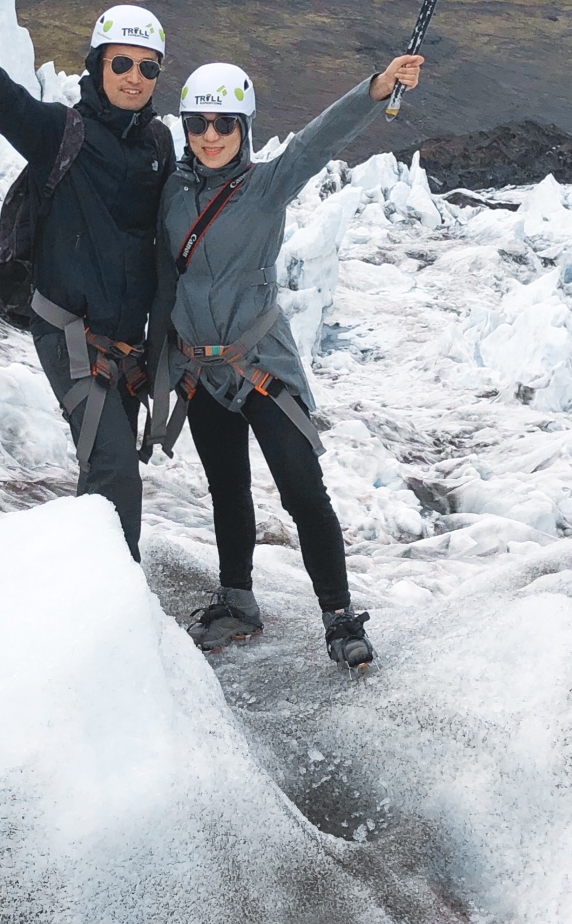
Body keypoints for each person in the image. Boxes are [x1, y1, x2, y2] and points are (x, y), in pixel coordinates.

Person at [147, 53, 424, 669]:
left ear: (244, 129)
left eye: (225, 123)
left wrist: (375, 88)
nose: (211, 136)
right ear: (185, 128)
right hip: (201, 376)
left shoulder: (266, 186)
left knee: (303, 493)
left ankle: (339, 617)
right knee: (227, 490)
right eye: (198, 124)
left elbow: (317, 140)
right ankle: (238, 601)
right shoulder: (169, 192)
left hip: (263, 369)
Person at [0, 2, 175, 559]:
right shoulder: (63, 132)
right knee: (114, 470)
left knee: (101, 468)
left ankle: (72, 589)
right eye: (122, 64)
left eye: (147, 67)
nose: (134, 78)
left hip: (126, 344)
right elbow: (7, 103)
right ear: (97, 66)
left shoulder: (158, 145)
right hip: (69, 333)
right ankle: (115, 605)